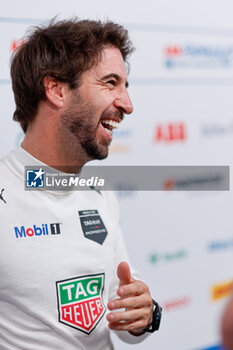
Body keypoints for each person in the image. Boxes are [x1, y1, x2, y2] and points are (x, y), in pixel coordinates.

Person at [0, 18, 161, 349]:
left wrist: (144, 315)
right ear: (57, 89)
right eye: (110, 83)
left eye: (125, 86)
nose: (127, 104)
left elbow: (121, 317)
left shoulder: (100, 191)